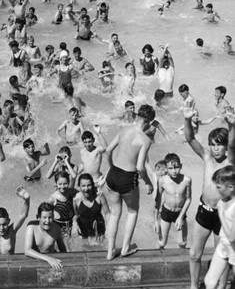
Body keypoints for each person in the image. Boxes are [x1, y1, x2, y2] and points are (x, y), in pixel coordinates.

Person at [178, 109, 235, 289]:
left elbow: (233, 144)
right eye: (212, 144)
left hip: (222, 216)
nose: (214, 148)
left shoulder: (231, 162)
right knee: (194, 253)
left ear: (225, 147)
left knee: (223, 255)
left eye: (218, 144)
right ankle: (194, 287)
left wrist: (232, 125)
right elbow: (190, 138)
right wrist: (186, 119)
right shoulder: (207, 157)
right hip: (204, 211)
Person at [184, 165, 235, 289]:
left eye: (219, 187)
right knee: (210, 281)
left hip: (233, 248)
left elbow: (233, 236)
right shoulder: (225, 199)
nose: (217, 190)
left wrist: (220, 212)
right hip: (224, 247)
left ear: (231, 187)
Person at [105, 104, 155, 260]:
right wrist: (148, 182)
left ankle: (110, 251)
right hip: (128, 178)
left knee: (114, 213)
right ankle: (125, 248)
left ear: (138, 116)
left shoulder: (124, 129)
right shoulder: (145, 140)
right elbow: (140, 167)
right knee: (133, 211)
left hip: (112, 175)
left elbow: (108, 150)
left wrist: (111, 166)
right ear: (148, 121)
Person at [156, 153, 192, 249]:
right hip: (166, 212)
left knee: (182, 242)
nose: (174, 171)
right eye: (170, 168)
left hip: (180, 212)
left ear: (181, 166)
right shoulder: (162, 181)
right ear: (166, 169)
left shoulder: (187, 180)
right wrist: (156, 220)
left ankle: (183, 262)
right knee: (162, 243)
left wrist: (181, 217)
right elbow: (157, 200)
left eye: (176, 167)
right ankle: (159, 260)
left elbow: (188, 199)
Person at [25, 202, 67, 269]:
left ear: (53, 217)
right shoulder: (31, 227)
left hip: (52, 262)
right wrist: (48, 259)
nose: (47, 221)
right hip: (37, 261)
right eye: (44, 217)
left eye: (50, 217)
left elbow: (62, 248)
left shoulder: (56, 228)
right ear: (38, 217)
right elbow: (27, 251)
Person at [73, 173, 109, 242]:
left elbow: (107, 214)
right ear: (79, 186)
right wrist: (74, 223)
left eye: (89, 185)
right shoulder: (76, 199)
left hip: (99, 228)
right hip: (84, 228)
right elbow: (76, 215)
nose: (86, 189)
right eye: (83, 186)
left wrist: (108, 228)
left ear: (92, 185)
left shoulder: (99, 196)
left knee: (99, 248)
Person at [48, 171, 77, 236]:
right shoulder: (52, 198)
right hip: (58, 227)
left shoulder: (72, 192)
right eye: (60, 184)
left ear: (69, 182)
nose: (62, 186)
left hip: (71, 225)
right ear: (56, 183)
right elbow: (47, 214)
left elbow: (84, 195)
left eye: (65, 184)